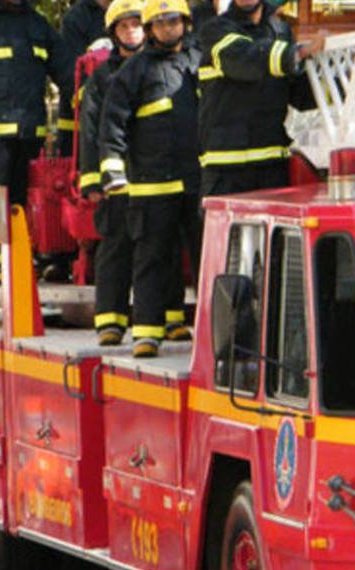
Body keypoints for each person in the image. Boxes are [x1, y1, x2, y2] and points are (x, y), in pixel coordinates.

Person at [99, 0, 201, 357]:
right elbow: (112, 122)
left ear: (185, 23)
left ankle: (210, 331)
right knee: (151, 258)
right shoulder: (135, 70)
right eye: (159, 23)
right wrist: (112, 169)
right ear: (150, 28)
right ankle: (146, 333)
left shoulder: (197, 61)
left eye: (173, 21)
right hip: (151, 183)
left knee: (207, 258)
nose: (168, 28)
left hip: (194, 182)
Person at [0, 0, 76, 283]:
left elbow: (66, 69)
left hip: (31, 132)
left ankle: (22, 256)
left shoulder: (38, 25)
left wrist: (86, 91)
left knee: (26, 198)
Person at [196, 0, 324, 197]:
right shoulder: (215, 30)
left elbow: (300, 96)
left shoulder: (281, 31)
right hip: (226, 171)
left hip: (272, 167)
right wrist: (298, 53)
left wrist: (335, 80)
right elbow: (244, 60)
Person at [80, 0, 146, 346]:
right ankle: (110, 320)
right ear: (114, 33)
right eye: (124, 26)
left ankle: (166, 317)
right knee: (115, 247)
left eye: (136, 24)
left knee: (155, 247)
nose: (131, 31)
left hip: (154, 174)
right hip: (116, 177)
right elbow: (90, 129)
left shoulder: (158, 67)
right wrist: (93, 179)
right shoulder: (103, 77)